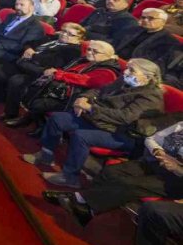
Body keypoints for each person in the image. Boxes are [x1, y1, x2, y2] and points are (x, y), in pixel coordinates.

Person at [23, 59, 164, 188]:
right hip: (101, 120)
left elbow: (125, 117)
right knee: (58, 119)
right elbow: (99, 90)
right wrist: (84, 98)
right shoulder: (125, 80)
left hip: (123, 133)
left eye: (132, 70)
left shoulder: (151, 96)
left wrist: (91, 108)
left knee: (81, 136)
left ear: (148, 77)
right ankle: (46, 155)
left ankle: (70, 177)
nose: (126, 72)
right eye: (127, 68)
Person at [42, 119, 183, 228]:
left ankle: (78, 199)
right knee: (111, 171)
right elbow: (151, 139)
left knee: (129, 184)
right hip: (156, 162)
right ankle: (86, 209)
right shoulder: (180, 125)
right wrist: (159, 152)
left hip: (176, 179)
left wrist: (178, 168)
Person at [0, 23, 87, 126]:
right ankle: (8, 109)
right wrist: (28, 48)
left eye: (70, 34)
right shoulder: (53, 38)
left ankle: (15, 115)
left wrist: (33, 56)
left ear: (79, 39)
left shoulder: (73, 50)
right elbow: (30, 43)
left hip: (45, 74)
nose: (64, 34)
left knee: (17, 79)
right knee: (5, 71)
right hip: (31, 66)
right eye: (64, 31)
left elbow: (52, 62)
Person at [115, 9, 183, 81]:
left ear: (163, 22)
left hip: (134, 69)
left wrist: (124, 62)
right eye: (143, 17)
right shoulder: (135, 29)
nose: (145, 20)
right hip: (116, 60)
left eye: (151, 18)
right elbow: (117, 43)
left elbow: (150, 62)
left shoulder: (168, 41)